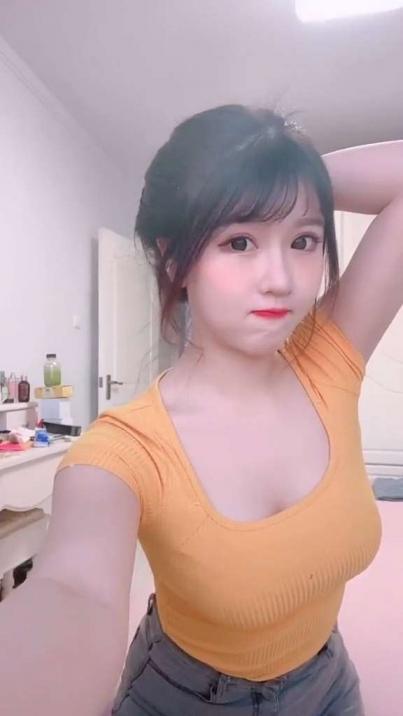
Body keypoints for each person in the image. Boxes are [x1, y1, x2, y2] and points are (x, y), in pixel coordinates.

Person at [1, 105, 402, 716]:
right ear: (175, 260)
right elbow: (72, 588)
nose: (281, 278)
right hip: (185, 698)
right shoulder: (125, 451)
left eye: (303, 240)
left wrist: (285, 172)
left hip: (330, 685)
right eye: (239, 241)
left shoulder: (328, 360)